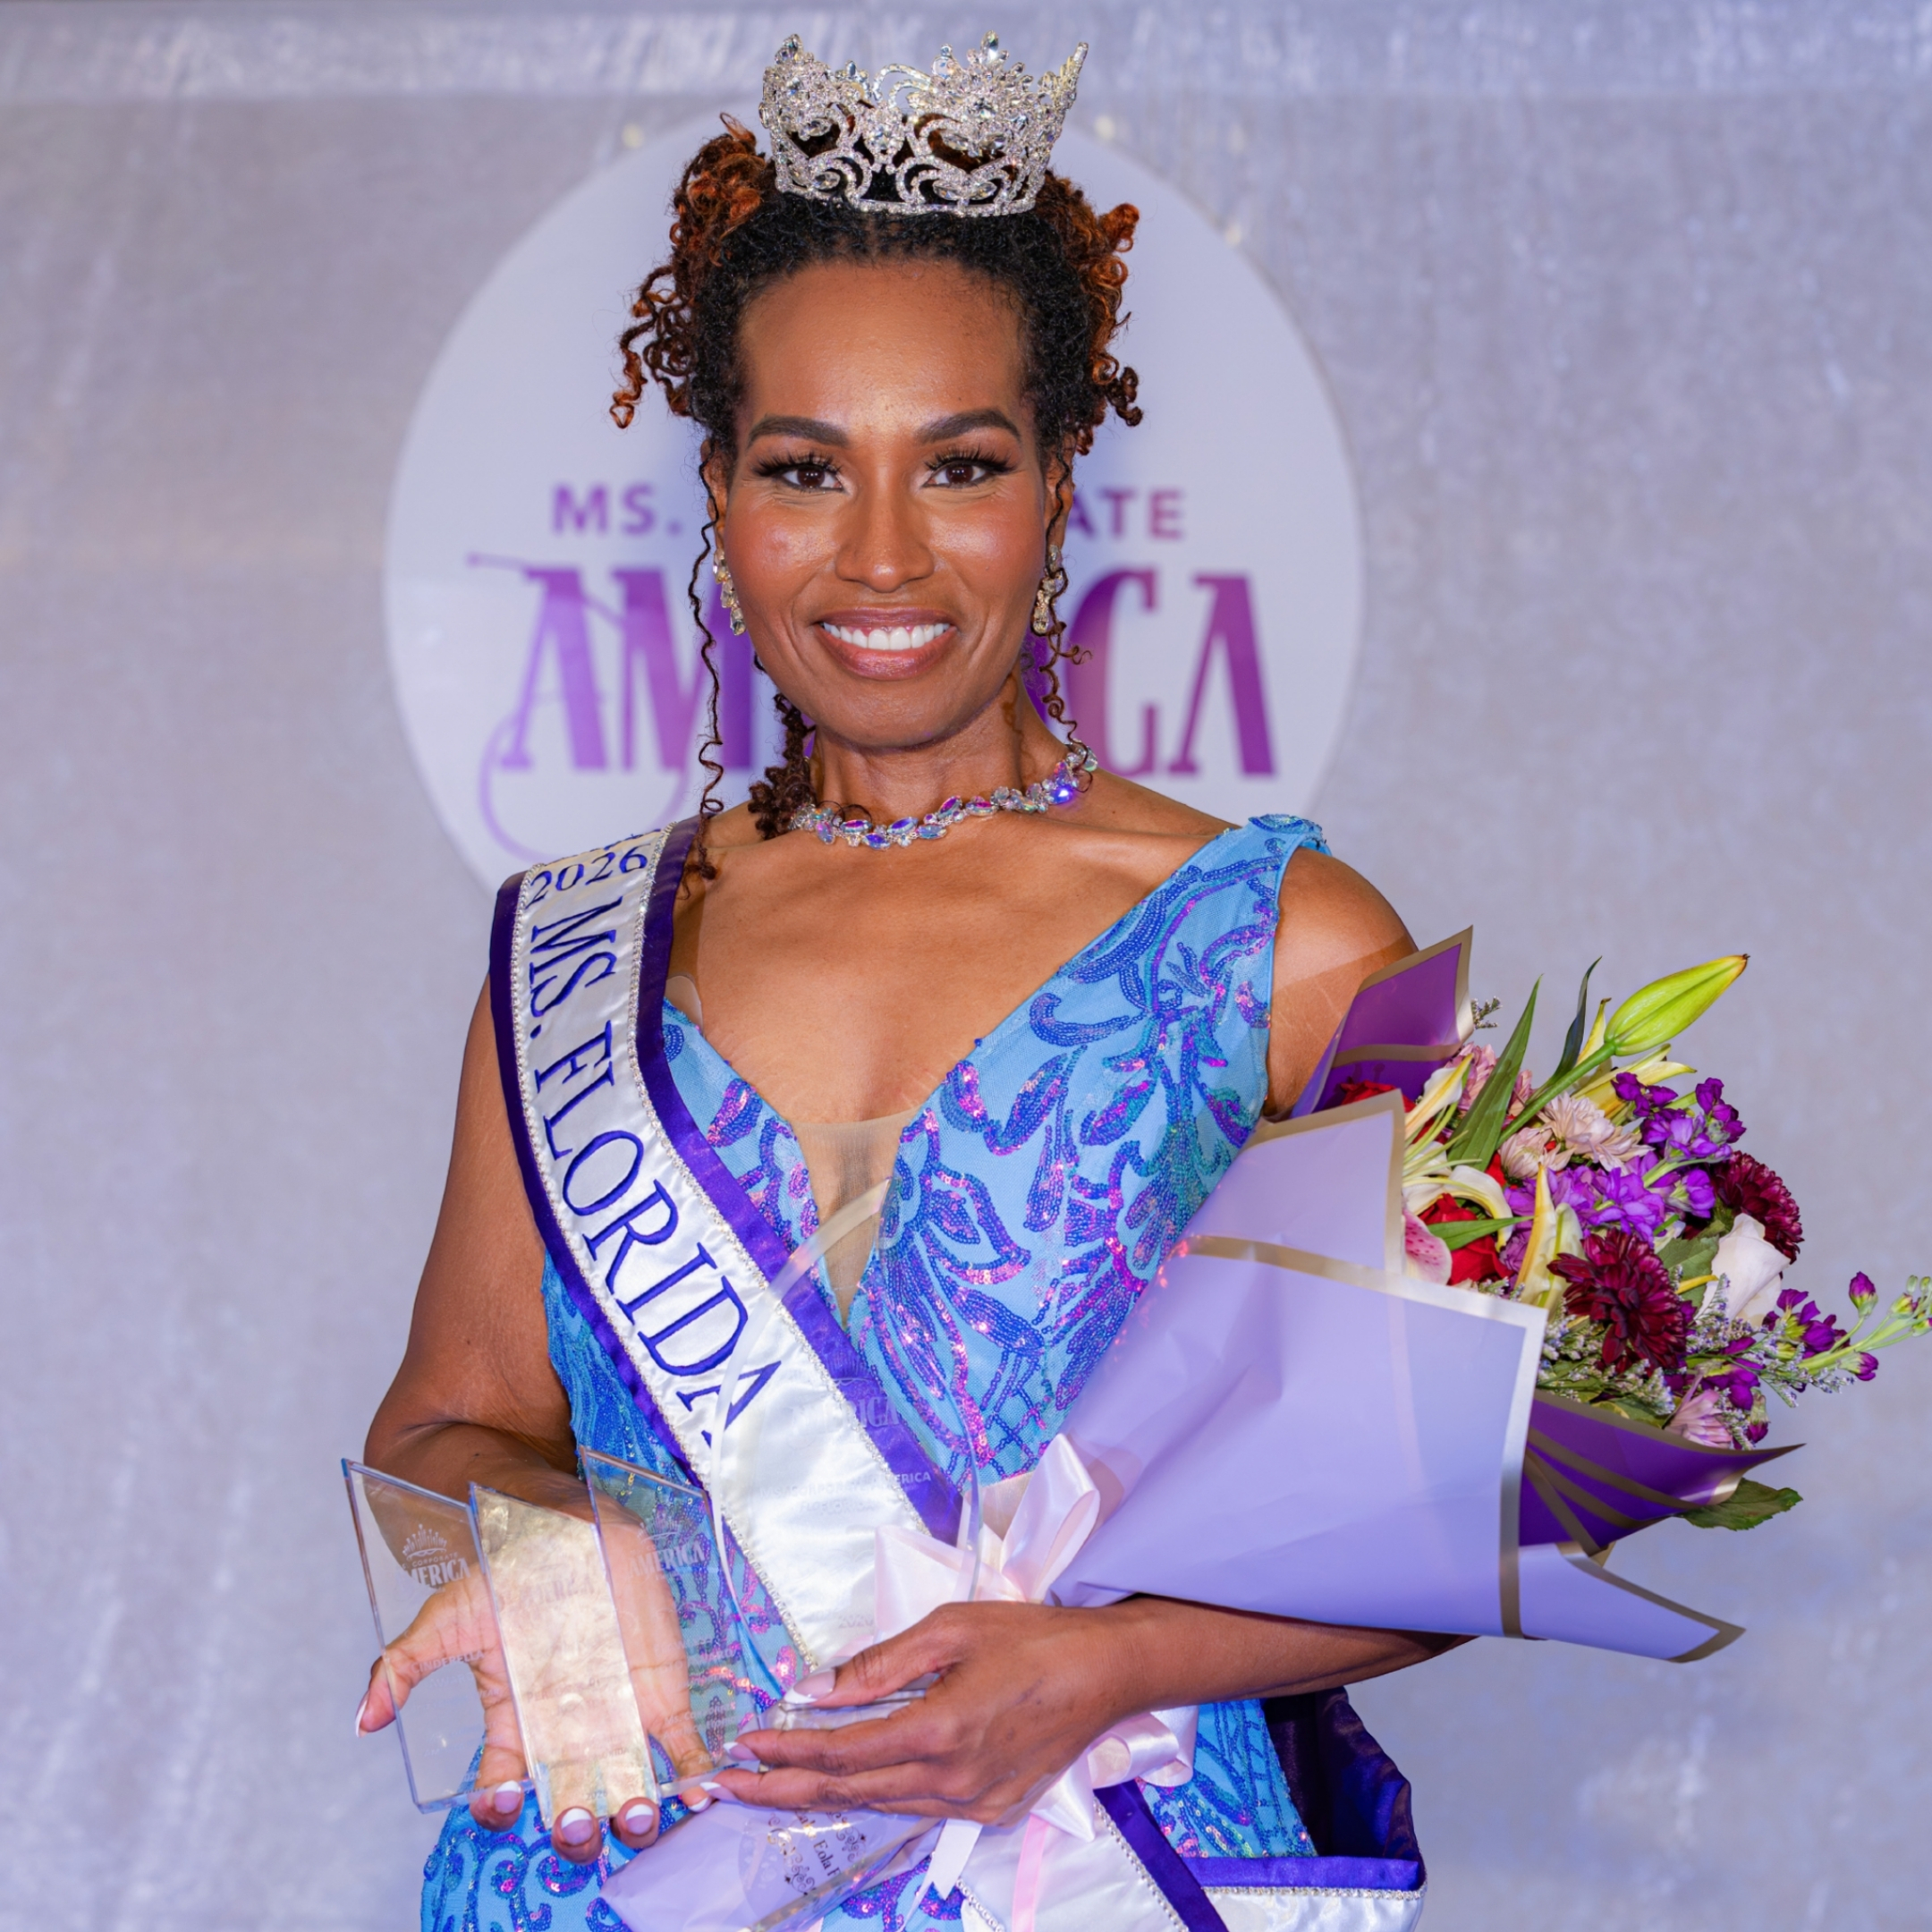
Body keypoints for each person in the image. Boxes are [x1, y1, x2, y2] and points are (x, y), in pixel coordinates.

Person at [360, 34, 1461, 1932]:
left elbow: (1459, 1508)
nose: (881, 556)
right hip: (634, 1873)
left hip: (1105, 1868)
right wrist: (549, 1536)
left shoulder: (1286, 942)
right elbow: (446, 1416)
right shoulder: (579, 956)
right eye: (806, 470)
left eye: (959, 466)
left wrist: (1108, 1667)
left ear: (1055, 486)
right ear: (720, 496)